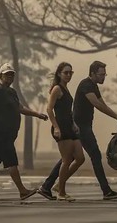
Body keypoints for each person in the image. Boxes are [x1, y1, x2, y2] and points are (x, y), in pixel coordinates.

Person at [38, 61, 117, 200]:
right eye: (101, 74)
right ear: (92, 73)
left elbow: (102, 103)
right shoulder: (86, 85)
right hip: (80, 126)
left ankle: (49, 186)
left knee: (71, 158)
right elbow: (96, 104)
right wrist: (115, 116)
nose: (104, 77)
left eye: (104, 74)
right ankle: (106, 191)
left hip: (76, 125)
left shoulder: (92, 86)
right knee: (93, 156)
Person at [0, 63, 48, 200]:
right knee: (11, 161)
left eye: (12, 74)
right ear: (1, 76)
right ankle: (22, 191)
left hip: (9, 133)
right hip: (0, 132)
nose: (10, 76)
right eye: (7, 74)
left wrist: (37, 114)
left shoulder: (12, 93)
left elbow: (20, 109)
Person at [40, 62, 85, 201]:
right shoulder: (57, 89)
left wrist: (74, 123)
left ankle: (59, 184)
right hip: (61, 127)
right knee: (66, 160)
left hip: (70, 127)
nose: (68, 75)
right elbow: (49, 109)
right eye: (66, 72)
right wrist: (56, 127)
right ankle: (61, 192)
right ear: (59, 73)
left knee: (80, 158)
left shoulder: (65, 88)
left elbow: (67, 111)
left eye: (70, 72)